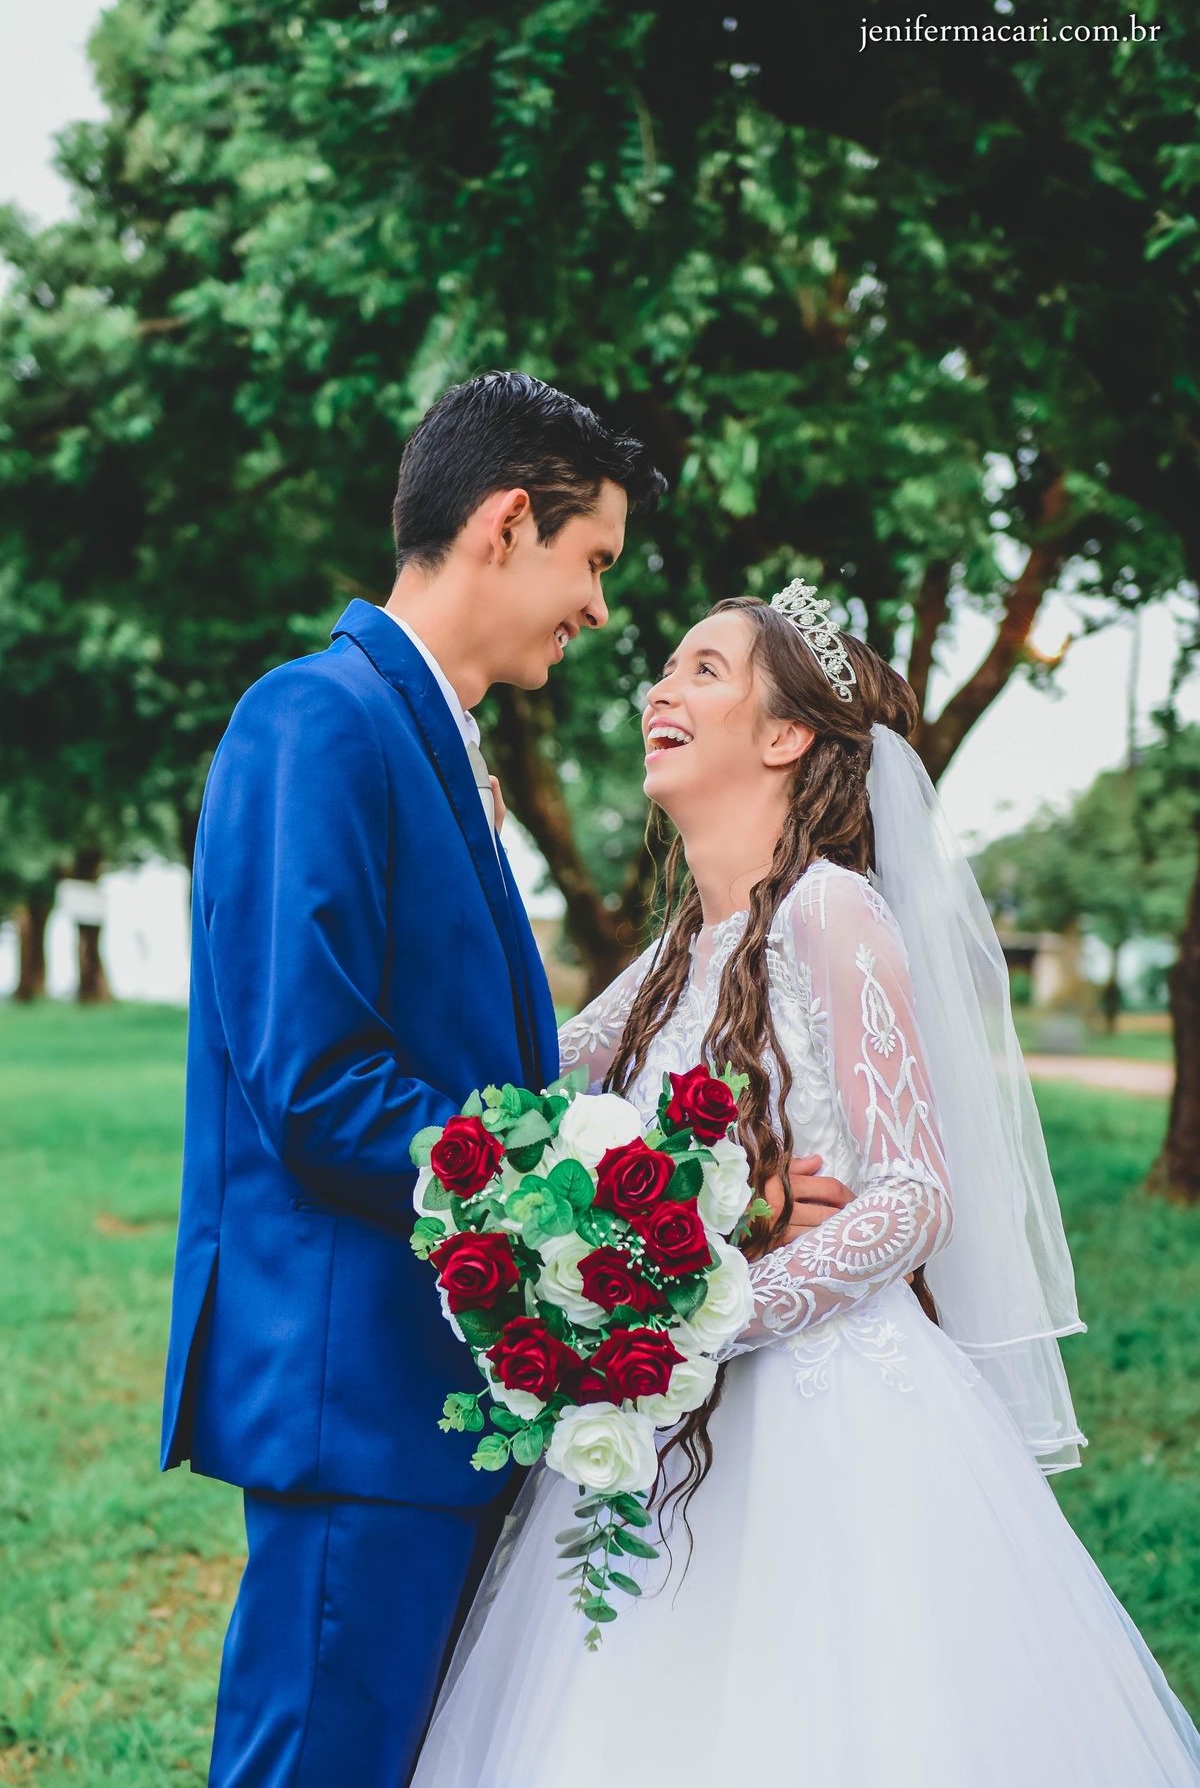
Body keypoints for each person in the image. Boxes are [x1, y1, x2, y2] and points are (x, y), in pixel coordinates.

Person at [412, 586, 1200, 1787]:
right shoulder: (681, 946)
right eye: (667, 668)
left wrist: (703, 1312)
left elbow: (913, 1193)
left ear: (785, 736)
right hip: (669, 1417)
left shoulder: (833, 910)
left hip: (826, 1416)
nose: (659, 688)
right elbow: (528, 1094)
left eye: (705, 670)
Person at [159, 371, 670, 1787]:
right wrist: (576, 1200)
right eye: (593, 560)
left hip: (437, 1394)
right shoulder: (316, 716)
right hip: (360, 1394)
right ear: (507, 523)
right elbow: (318, 1085)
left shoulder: (434, 739)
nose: (599, 608)